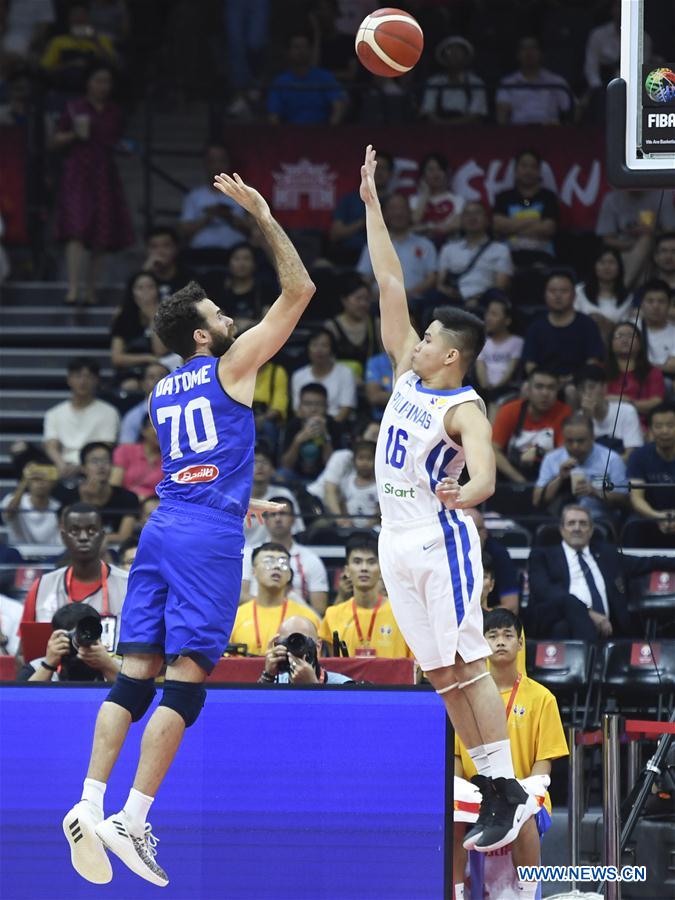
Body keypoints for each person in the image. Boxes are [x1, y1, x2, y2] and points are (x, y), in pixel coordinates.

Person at [61, 169, 316, 887]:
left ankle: (87, 800)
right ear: (203, 333)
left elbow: (197, 467)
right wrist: (265, 216)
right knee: (188, 680)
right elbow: (299, 292)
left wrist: (243, 504)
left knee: (135, 674)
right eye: (218, 312)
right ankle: (134, 819)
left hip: (162, 528)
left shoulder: (162, 388)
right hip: (203, 538)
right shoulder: (232, 363)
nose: (231, 316)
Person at [360, 144, 539, 853]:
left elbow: (487, 480)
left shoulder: (464, 404)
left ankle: (506, 787)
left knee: (468, 664)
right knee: (438, 672)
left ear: (451, 356)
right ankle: (495, 786)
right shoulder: (409, 375)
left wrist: (459, 490)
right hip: (392, 537)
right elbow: (387, 280)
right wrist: (373, 205)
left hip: (441, 538)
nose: (416, 340)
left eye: (428, 338)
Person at [454, 608, 568, 900]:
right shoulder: (464, 697)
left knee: (524, 810)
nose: (500, 641)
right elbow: (455, 759)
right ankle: (453, 893)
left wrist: (520, 792)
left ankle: (527, 894)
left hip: (524, 790)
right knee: (451, 815)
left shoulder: (542, 698)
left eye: (508, 635)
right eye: (492, 635)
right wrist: (460, 792)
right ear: (482, 644)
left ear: (520, 643)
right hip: (476, 794)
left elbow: (544, 765)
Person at [528, 504, 675, 641]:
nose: (577, 528)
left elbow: (647, 562)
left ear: (591, 530)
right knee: (562, 625)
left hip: (610, 630)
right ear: (562, 529)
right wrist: (587, 613)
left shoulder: (607, 554)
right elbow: (544, 591)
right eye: (571, 523)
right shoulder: (542, 556)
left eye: (583, 523)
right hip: (563, 625)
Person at [51, 63, 133, 306]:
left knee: (102, 233)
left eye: (106, 82)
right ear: (88, 83)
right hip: (78, 174)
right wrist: (74, 134)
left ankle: (91, 290)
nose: (102, 86)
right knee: (76, 229)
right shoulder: (73, 108)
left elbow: (118, 141)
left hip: (105, 174)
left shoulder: (114, 112)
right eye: (98, 81)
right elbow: (54, 141)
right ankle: (73, 288)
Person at [20, 504, 128, 635]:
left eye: (91, 530)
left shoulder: (128, 584)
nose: (83, 537)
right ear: (64, 537)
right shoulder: (42, 586)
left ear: (102, 535)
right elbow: (23, 653)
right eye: (74, 531)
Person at [319, 533, 410, 658]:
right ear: (346, 570)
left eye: (371, 562)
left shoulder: (402, 613)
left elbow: (415, 668)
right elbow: (330, 667)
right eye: (357, 562)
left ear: (382, 568)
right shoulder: (332, 615)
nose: (364, 568)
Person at [533, 412, 628, 523]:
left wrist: (596, 493)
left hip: (599, 521)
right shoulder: (551, 459)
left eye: (581, 441)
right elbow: (537, 501)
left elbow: (625, 500)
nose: (575, 446)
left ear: (593, 437)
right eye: (569, 441)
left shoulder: (611, 459)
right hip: (560, 522)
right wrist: (559, 479)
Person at [240, 497, 328, 614]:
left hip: (296, 621)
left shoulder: (311, 559)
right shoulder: (248, 554)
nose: (278, 518)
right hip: (252, 618)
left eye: (283, 513)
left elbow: (320, 609)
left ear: (293, 519)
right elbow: (240, 596)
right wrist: (271, 608)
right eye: (272, 514)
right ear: (265, 520)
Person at [231, 543, 320, 655]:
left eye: (283, 563)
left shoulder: (306, 618)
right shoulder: (235, 617)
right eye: (269, 561)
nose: (276, 567)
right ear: (253, 571)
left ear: (289, 574)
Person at [43, 357, 120, 480]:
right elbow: (51, 445)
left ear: (96, 380)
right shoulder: (54, 413)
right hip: (62, 466)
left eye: (89, 377)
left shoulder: (109, 412)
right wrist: (61, 464)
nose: (83, 382)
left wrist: (81, 466)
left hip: (93, 467)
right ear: (69, 380)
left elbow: (106, 446)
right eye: (77, 376)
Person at [492, 368, 572, 485]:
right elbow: (493, 450)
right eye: (539, 387)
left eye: (551, 388)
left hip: (549, 478)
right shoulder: (509, 411)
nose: (545, 393)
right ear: (528, 390)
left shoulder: (565, 413)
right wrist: (521, 482)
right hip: (511, 476)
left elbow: (563, 454)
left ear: (557, 391)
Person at [357, 193, 438, 308]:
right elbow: (364, 277)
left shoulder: (425, 244)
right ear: (384, 214)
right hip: (380, 302)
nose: (398, 213)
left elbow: (431, 278)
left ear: (410, 213)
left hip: (414, 302)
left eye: (402, 208)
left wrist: (408, 294)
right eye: (393, 208)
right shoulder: (373, 243)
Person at [522, 271, 605, 381]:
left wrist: (571, 379)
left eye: (564, 291)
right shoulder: (536, 326)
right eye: (552, 291)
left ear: (574, 295)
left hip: (578, 383)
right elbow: (530, 364)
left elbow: (593, 361)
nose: (558, 295)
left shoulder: (587, 324)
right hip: (544, 382)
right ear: (545, 295)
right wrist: (547, 381)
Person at [54, 442, 139, 544]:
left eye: (106, 460)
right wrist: (86, 499)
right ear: (83, 468)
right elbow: (68, 533)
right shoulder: (68, 496)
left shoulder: (128, 497)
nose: (101, 466)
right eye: (95, 461)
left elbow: (124, 536)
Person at [19, 602, 121, 683]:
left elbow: (133, 699)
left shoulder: (117, 667)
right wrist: (48, 665)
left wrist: (107, 665)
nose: (82, 640)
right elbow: (19, 705)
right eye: (76, 635)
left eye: (88, 633)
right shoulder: (35, 667)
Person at [178, 144, 250, 258]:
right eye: (212, 161)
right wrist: (208, 217)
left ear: (229, 162)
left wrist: (229, 216)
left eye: (222, 160)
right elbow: (183, 231)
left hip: (236, 256)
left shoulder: (243, 193)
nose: (217, 166)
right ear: (206, 164)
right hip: (201, 255)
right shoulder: (194, 196)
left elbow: (256, 230)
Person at [492, 150, 559, 270]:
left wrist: (510, 228)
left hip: (542, 255)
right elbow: (497, 227)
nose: (528, 171)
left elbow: (548, 229)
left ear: (539, 171)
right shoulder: (503, 197)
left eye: (533, 167)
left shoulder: (549, 197)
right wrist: (534, 221)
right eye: (524, 166)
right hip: (508, 255)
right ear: (516, 170)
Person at [437, 203, 513, 308]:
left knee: (496, 296)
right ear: (461, 220)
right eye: (467, 214)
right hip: (454, 299)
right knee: (432, 297)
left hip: (484, 301)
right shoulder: (448, 249)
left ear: (487, 220)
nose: (472, 217)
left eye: (477, 213)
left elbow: (500, 286)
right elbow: (440, 284)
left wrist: (476, 299)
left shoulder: (500, 249)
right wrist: (450, 293)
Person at [329, 149, 394, 266]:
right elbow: (335, 234)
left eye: (383, 168)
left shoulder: (395, 202)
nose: (379, 173)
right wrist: (365, 222)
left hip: (385, 256)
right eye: (375, 168)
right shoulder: (350, 200)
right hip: (349, 256)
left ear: (390, 173)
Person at [267, 31, 346, 125]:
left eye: (305, 47)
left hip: (321, 132)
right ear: (288, 51)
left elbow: (338, 106)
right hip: (291, 134)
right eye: (296, 47)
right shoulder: (280, 82)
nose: (301, 51)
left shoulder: (325, 77)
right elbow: (273, 116)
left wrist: (331, 131)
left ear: (311, 50)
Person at [624, 402, 675, 548]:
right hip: (650, 516)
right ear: (650, 430)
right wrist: (658, 517)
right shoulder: (639, 456)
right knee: (632, 526)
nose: (664, 431)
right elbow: (636, 498)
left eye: (670, 425)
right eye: (658, 426)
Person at [496, 35, 573, 125]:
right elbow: (501, 117)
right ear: (517, 55)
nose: (529, 53)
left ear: (541, 54)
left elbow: (573, 110)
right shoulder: (508, 83)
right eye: (524, 49)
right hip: (517, 132)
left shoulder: (556, 82)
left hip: (549, 132)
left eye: (533, 48)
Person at [201, 241, 275, 334]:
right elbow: (217, 321)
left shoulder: (265, 290)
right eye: (236, 259)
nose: (241, 264)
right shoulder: (220, 291)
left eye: (246, 259)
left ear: (254, 264)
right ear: (229, 264)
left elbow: (269, 322)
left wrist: (250, 325)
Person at [109, 272, 168, 387]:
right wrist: (148, 358)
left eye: (150, 287)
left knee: (156, 378)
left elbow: (160, 351)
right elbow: (117, 357)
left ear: (158, 290)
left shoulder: (166, 315)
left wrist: (153, 318)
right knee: (130, 385)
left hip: (159, 368)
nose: (146, 292)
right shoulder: (123, 316)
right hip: (131, 370)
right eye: (140, 288)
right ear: (132, 292)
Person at [259, 614, 354, 684]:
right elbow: (254, 710)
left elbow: (341, 711)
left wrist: (312, 685)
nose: (295, 647)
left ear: (318, 646)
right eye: (289, 642)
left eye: (300, 641)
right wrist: (268, 676)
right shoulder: (274, 683)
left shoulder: (343, 685)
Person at [577, 365, 643, 461]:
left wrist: (607, 467)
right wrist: (587, 419)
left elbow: (632, 456)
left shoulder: (627, 411)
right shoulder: (578, 418)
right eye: (581, 389)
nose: (587, 393)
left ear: (604, 387)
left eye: (591, 387)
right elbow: (581, 457)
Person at [605, 321, 666, 425]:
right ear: (611, 343)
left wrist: (627, 402)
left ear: (640, 343)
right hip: (608, 423)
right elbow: (598, 400)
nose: (625, 340)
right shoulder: (601, 371)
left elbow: (656, 403)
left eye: (630, 335)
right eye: (619, 335)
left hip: (643, 425)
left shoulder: (652, 372)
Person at [290, 329, 357, 422]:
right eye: (314, 345)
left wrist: (328, 427)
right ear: (308, 349)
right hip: (305, 425)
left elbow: (346, 409)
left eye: (324, 345)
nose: (319, 350)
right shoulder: (298, 376)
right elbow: (297, 410)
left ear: (332, 349)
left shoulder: (345, 373)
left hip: (337, 425)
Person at [245, 442, 304, 548]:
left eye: (265, 462)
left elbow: (296, 531)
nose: (260, 466)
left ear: (273, 470)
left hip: (275, 552)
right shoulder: (236, 498)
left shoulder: (284, 495)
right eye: (255, 462)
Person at [462, 508, 520, 613]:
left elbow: (511, 605)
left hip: (490, 621)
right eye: (462, 531)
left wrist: (481, 619)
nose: (468, 536)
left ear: (484, 532)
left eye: (474, 530)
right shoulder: (445, 555)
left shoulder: (499, 555)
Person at [420, 36, 487, 125]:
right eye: (450, 51)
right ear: (443, 57)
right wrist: (443, 125)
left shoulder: (476, 82)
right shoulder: (433, 82)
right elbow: (428, 111)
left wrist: (452, 125)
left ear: (466, 56)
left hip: (469, 131)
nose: (454, 55)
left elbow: (476, 114)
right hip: (438, 132)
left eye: (459, 51)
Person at [324, 274, 377, 381]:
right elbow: (326, 360)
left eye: (366, 299)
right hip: (339, 381)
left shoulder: (376, 324)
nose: (363, 304)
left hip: (370, 383)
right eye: (358, 299)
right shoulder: (332, 326)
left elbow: (384, 358)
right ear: (344, 300)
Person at [574, 247, 633, 341]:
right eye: (602, 262)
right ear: (594, 266)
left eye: (611, 262)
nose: (607, 267)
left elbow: (628, 331)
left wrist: (605, 323)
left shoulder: (628, 298)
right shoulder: (578, 291)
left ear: (619, 267)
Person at [475, 296, 523, 411]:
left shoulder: (517, 342)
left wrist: (496, 388)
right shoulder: (483, 342)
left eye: (494, 314)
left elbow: (511, 371)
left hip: (506, 389)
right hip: (485, 389)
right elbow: (480, 368)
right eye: (488, 313)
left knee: (496, 397)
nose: (488, 318)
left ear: (507, 320)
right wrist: (485, 387)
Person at [1, 462, 62, 547]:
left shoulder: (58, 507)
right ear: (28, 482)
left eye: (46, 479)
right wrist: (24, 481)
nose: (41, 483)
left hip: (50, 556)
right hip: (20, 555)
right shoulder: (14, 501)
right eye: (36, 479)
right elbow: (9, 514)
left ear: (53, 483)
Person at [410, 153, 465, 247]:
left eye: (440, 169)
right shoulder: (413, 200)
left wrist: (426, 228)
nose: (436, 174)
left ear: (446, 173)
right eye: (431, 170)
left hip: (449, 247)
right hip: (419, 248)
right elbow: (413, 222)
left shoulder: (458, 200)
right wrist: (424, 196)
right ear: (423, 174)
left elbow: (455, 225)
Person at [323, 439, 379, 530]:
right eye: (361, 458)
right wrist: (345, 520)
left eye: (369, 459)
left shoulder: (378, 486)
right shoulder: (348, 481)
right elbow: (343, 502)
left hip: (372, 527)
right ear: (353, 460)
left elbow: (379, 511)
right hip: (350, 526)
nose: (365, 463)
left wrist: (370, 524)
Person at [118, 363, 171, 444]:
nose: (157, 380)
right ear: (143, 384)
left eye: (162, 376)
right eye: (151, 377)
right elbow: (126, 447)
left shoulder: (184, 407)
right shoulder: (133, 416)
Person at [111, 418, 163, 499]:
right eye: (157, 426)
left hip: (156, 506)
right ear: (143, 430)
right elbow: (114, 485)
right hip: (124, 503)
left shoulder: (173, 458)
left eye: (166, 427)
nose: (162, 431)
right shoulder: (125, 450)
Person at [141, 226, 194, 301]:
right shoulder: (141, 278)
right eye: (154, 247)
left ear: (176, 248)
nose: (160, 251)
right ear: (146, 250)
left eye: (166, 246)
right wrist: (144, 273)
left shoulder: (190, 279)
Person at [638, 279, 675, 376]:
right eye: (650, 301)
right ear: (641, 303)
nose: (656, 306)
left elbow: (672, 367)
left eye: (661, 301)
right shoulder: (629, 328)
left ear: (669, 304)